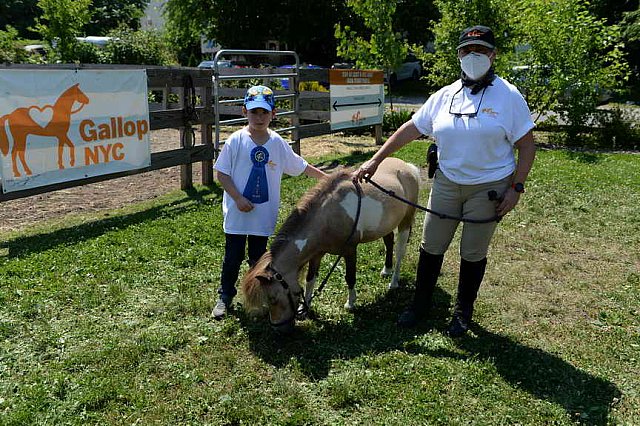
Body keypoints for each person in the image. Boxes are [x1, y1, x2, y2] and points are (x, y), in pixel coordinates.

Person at [354, 25, 536, 337]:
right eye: (467, 50)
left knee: (472, 251)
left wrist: (516, 188)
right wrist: (376, 159)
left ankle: (463, 312)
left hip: (489, 187)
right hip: (447, 183)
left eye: (480, 50)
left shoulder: (509, 97)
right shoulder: (445, 95)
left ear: (493, 55)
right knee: (431, 244)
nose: (473, 56)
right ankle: (419, 306)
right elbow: (411, 128)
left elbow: (527, 145)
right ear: (458, 55)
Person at [212, 85, 327, 319]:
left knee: (259, 259)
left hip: (262, 215)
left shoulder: (277, 143)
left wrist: (329, 179)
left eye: (265, 112)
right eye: (254, 112)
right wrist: (237, 198)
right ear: (244, 111)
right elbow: (221, 173)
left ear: (274, 114)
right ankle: (225, 295)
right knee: (232, 257)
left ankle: (259, 296)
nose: (259, 117)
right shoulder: (235, 141)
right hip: (237, 212)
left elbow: (301, 166)